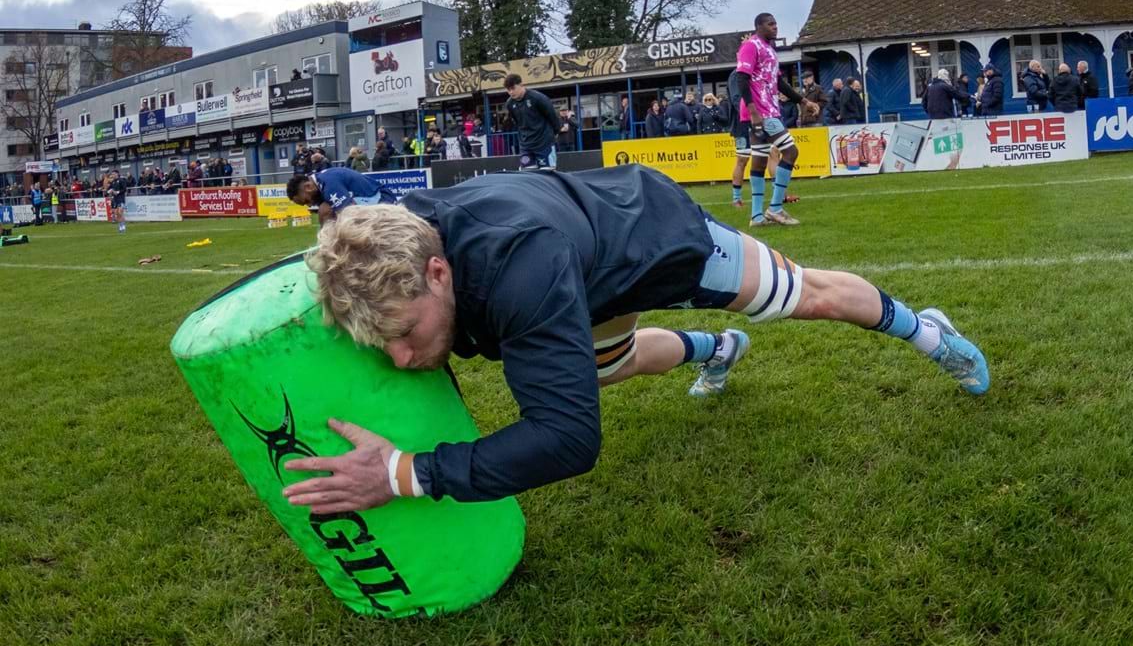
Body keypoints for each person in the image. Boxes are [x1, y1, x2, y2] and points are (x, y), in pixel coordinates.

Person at [280, 165, 990, 510]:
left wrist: (406, 474)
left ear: (439, 272)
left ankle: (928, 332)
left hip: (652, 236)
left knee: (809, 297)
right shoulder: (399, 236)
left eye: (405, 334)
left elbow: (567, 441)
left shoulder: (515, 272)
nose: (401, 358)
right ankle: (717, 351)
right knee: (603, 370)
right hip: (576, 269)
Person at [732, 12, 807, 227]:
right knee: (791, 151)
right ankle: (775, 208)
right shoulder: (750, 46)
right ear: (759, 26)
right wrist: (754, 111)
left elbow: (779, 83)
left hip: (768, 110)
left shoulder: (770, 50)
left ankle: (756, 216)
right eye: (770, 24)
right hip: (762, 112)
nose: (775, 27)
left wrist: (802, 101)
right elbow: (741, 78)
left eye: (776, 23)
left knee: (760, 159)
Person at [287, 165, 398, 225]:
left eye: (306, 201)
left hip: (383, 201)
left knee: (327, 210)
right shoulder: (320, 181)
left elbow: (351, 212)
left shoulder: (329, 184)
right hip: (374, 202)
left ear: (308, 187)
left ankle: (330, 249)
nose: (310, 205)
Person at [503, 73, 559, 170]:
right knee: (528, 175)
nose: (511, 92)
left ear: (521, 85)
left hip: (544, 143)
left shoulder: (538, 98)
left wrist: (555, 132)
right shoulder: (509, 104)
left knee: (548, 176)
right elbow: (517, 122)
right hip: (526, 146)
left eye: (513, 88)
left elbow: (553, 117)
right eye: (508, 90)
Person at [726, 68, 750, 209]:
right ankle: (736, 199)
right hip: (741, 124)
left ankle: (780, 197)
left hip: (759, 120)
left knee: (773, 153)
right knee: (742, 160)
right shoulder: (736, 75)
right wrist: (752, 113)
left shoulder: (755, 72)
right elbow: (736, 100)